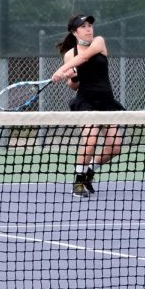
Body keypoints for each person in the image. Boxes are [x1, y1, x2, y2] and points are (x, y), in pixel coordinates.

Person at [51, 15, 125, 198]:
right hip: (85, 101)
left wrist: (61, 70)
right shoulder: (70, 54)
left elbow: (84, 57)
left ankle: (89, 171)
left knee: (115, 147)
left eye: (90, 25)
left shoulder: (99, 42)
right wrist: (71, 77)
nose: (88, 29)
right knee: (90, 139)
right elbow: (74, 85)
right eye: (83, 26)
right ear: (75, 32)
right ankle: (78, 182)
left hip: (106, 101)